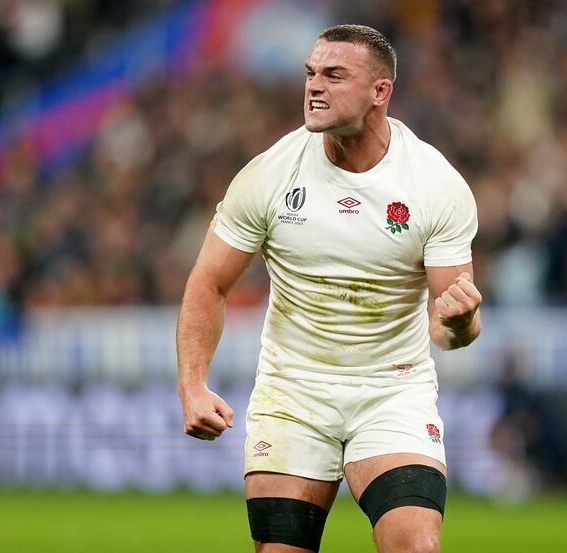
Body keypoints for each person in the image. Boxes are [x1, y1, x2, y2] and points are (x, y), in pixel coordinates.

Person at [177, 24, 481, 553]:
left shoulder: (435, 185)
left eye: (335, 75)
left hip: (392, 392)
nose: (314, 86)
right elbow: (209, 281)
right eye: (310, 73)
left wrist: (461, 321)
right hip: (293, 393)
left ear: (379, 92)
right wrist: (192, 385)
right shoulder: (270, 175)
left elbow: (449, 330)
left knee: (415, 547)